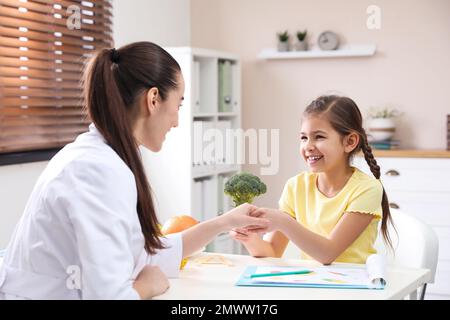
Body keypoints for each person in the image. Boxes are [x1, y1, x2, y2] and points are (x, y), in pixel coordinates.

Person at [0, 42, 268, 300]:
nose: (176, 121)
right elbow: (108, 296)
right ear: (153, 99)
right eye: (179, 105)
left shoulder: (104, 159)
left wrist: (225, 222)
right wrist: (146, 287)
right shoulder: (97, 171)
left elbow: (144, 256)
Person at [231, 95, 394, 265]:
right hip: (313, 282)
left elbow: (327, 254)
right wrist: (249, 238)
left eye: (319, 137)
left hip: (355, 285)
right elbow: (272, 252)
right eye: (304, 138)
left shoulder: (367, 189)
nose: (308, 146)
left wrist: (283, 221)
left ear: (350, 142)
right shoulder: (296, 186)